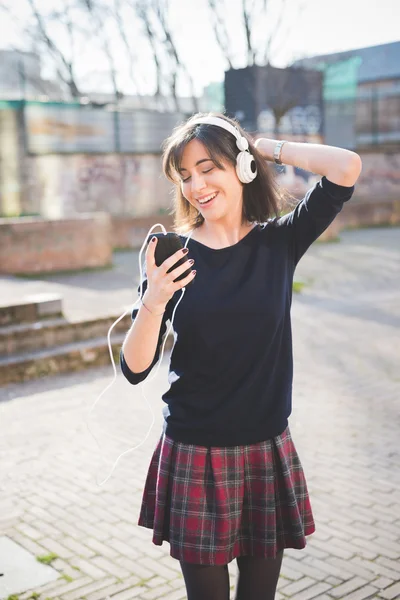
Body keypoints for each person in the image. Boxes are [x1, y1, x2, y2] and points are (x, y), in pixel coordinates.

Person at [120, 112, 362, 600]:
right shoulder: (174, 257)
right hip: (194, 452)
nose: (196, 185)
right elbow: (134, 367)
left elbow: (346, 167)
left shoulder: (280, 241)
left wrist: (261, 145)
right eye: (185, 176)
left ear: (241, 168)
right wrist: (155, 298)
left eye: (209, 168)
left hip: (265, 449)